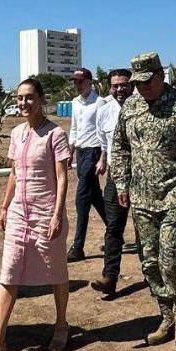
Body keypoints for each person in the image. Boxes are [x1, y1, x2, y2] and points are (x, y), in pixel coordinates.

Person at [111, 52, 176, 351]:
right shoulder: (130, 106)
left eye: (146, 81)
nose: (141, 87)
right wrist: (121, 182)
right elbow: (120, 146)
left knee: (172, 259)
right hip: (141, 196)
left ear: (160, 76)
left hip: (175, 193)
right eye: (137, 82)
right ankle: (165, 315)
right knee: (150, 261)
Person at [0, 79, 72, 351]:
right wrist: (4, 207)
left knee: (56, 271)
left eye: (29, 97)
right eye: (19, 98)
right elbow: (14, 174)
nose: (24, 103)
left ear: (41, 99)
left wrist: (57, 214)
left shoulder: (55, 134)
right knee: (9, 272)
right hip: (19, 213)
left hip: (46, 213)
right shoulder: (16, 133)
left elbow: (63, 177)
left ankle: (62, 324)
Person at [90, 68, 135, 296]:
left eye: (124, 84)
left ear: (132, 85)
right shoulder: (104, 112)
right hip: (115, 179)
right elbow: (105, 143)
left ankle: (155, 277)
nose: (120, 89)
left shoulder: (144, 108)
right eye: (115, 85)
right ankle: (109, 277)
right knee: (113, 229)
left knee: (144, 230)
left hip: (141, 179)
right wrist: (103, 160)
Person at [66, 67, 106, 262]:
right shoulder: (75, 103)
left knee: (82, 198)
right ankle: (115, 229)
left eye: (79, 81)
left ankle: (78, 246)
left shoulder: (100, 103)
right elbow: (74, 128)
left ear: (89, 82)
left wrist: (102, 157)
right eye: (74, 81)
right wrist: (70, 150)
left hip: (94, 151)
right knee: (95, 196)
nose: (76, 84)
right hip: (81, 152)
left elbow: (105, 132)